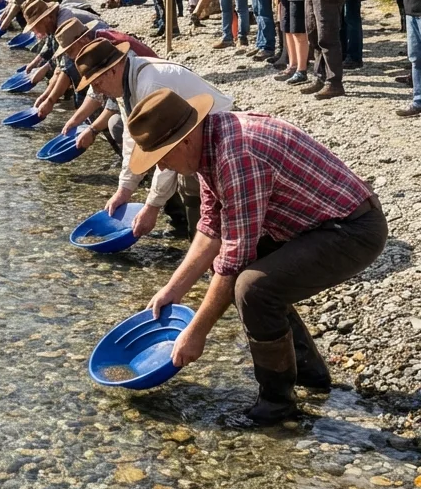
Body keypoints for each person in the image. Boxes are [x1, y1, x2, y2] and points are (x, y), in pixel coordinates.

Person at [134, 88, 386, 423]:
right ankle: (310, 374)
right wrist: (173, 288)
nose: (162, 165)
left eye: (161, 156)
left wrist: (196, 332)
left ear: (183, 140)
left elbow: (235, 256)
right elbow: (212, 226)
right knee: (244, 278)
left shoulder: (236, 155)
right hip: (313, 223)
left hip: (352, 230)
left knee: (252, 287)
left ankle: (277, 403)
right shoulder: (210, 143)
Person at [69, 38, 232, 238]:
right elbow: (132, 139)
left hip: (219, 134)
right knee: (173, 176)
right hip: (188, 135)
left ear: (112, 70)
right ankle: (191, 234)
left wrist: (152, 206)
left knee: (190, 186)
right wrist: (125, 189)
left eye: (97, 83)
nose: (98, 91)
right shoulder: (123, 84)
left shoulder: (150, 85)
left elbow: (168, 149)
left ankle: (203, 242)